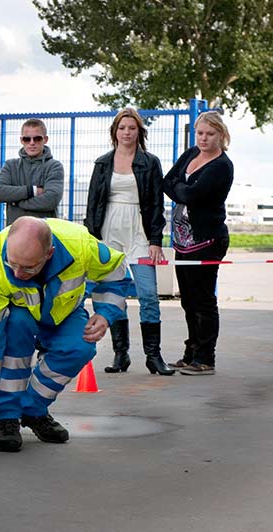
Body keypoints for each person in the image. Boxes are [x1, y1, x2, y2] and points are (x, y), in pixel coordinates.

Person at [0, 217, 130, 453]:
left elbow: (116, 270)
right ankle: (6, 418)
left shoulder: (81, 245)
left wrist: (105, 314)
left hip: (64, 312)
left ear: (49, 253)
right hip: (21, 315)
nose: (17, 272)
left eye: (28, 267)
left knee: (80, 347)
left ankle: (32, 410)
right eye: (12, 263)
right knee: (15, 335)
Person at [84, 107, 174, 376]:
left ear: (139, 132)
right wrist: (93, 239)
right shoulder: (102, 163)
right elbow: (92, 204)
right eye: (122, 128)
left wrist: (155, 239)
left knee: (148, 294)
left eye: (131, 128)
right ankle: (120, 355)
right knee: (114, 295)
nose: (126, 132)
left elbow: (157, 203)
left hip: (140, 232)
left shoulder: (150, 162)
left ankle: (153, 356)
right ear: (115, 132)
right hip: (110, 231)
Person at [163, 111, 233, 376]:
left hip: (207, 240)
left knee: (203, 301)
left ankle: (206, 359)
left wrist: (181, 189)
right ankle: (191, 353)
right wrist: (182, 189)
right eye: (200, 133)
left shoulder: (221, 166)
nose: (203, 138)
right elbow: (167, 182)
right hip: (183, 242)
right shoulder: (191, 153)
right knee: (188, 301)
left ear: (221, 135)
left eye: (210, 134)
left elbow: (190, 194)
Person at [0, 118, 64, 225]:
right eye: (27, 139)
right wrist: (32, 191)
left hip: (44, 235)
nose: (32, 143)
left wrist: (17, 202)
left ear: (45, 139)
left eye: (37, 139)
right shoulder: (11, 165)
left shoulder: (54, 166)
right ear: (21, 140)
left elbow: (51, 200)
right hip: (16, 233)